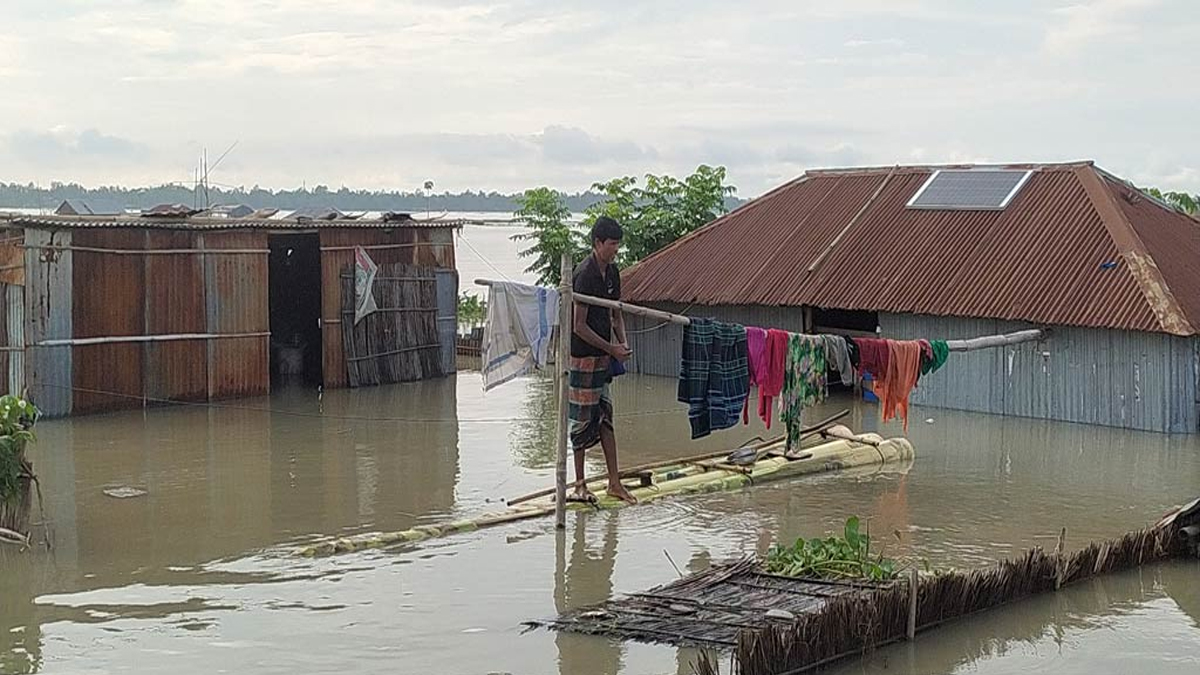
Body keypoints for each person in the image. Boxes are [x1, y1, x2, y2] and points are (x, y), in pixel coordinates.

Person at [568, 216, 637, 505]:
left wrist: (622, 342)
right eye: (612, 244)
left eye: (618, 245)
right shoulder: (585, 274)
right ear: (598, 243)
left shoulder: (612, 273)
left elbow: (616, 312)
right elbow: (578, 325)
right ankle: (580, 484)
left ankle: (614, 482)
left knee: (606, 416)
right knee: (582, 422)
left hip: (604, 355)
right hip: (583, 355)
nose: (616, 249)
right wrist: (611, 348)